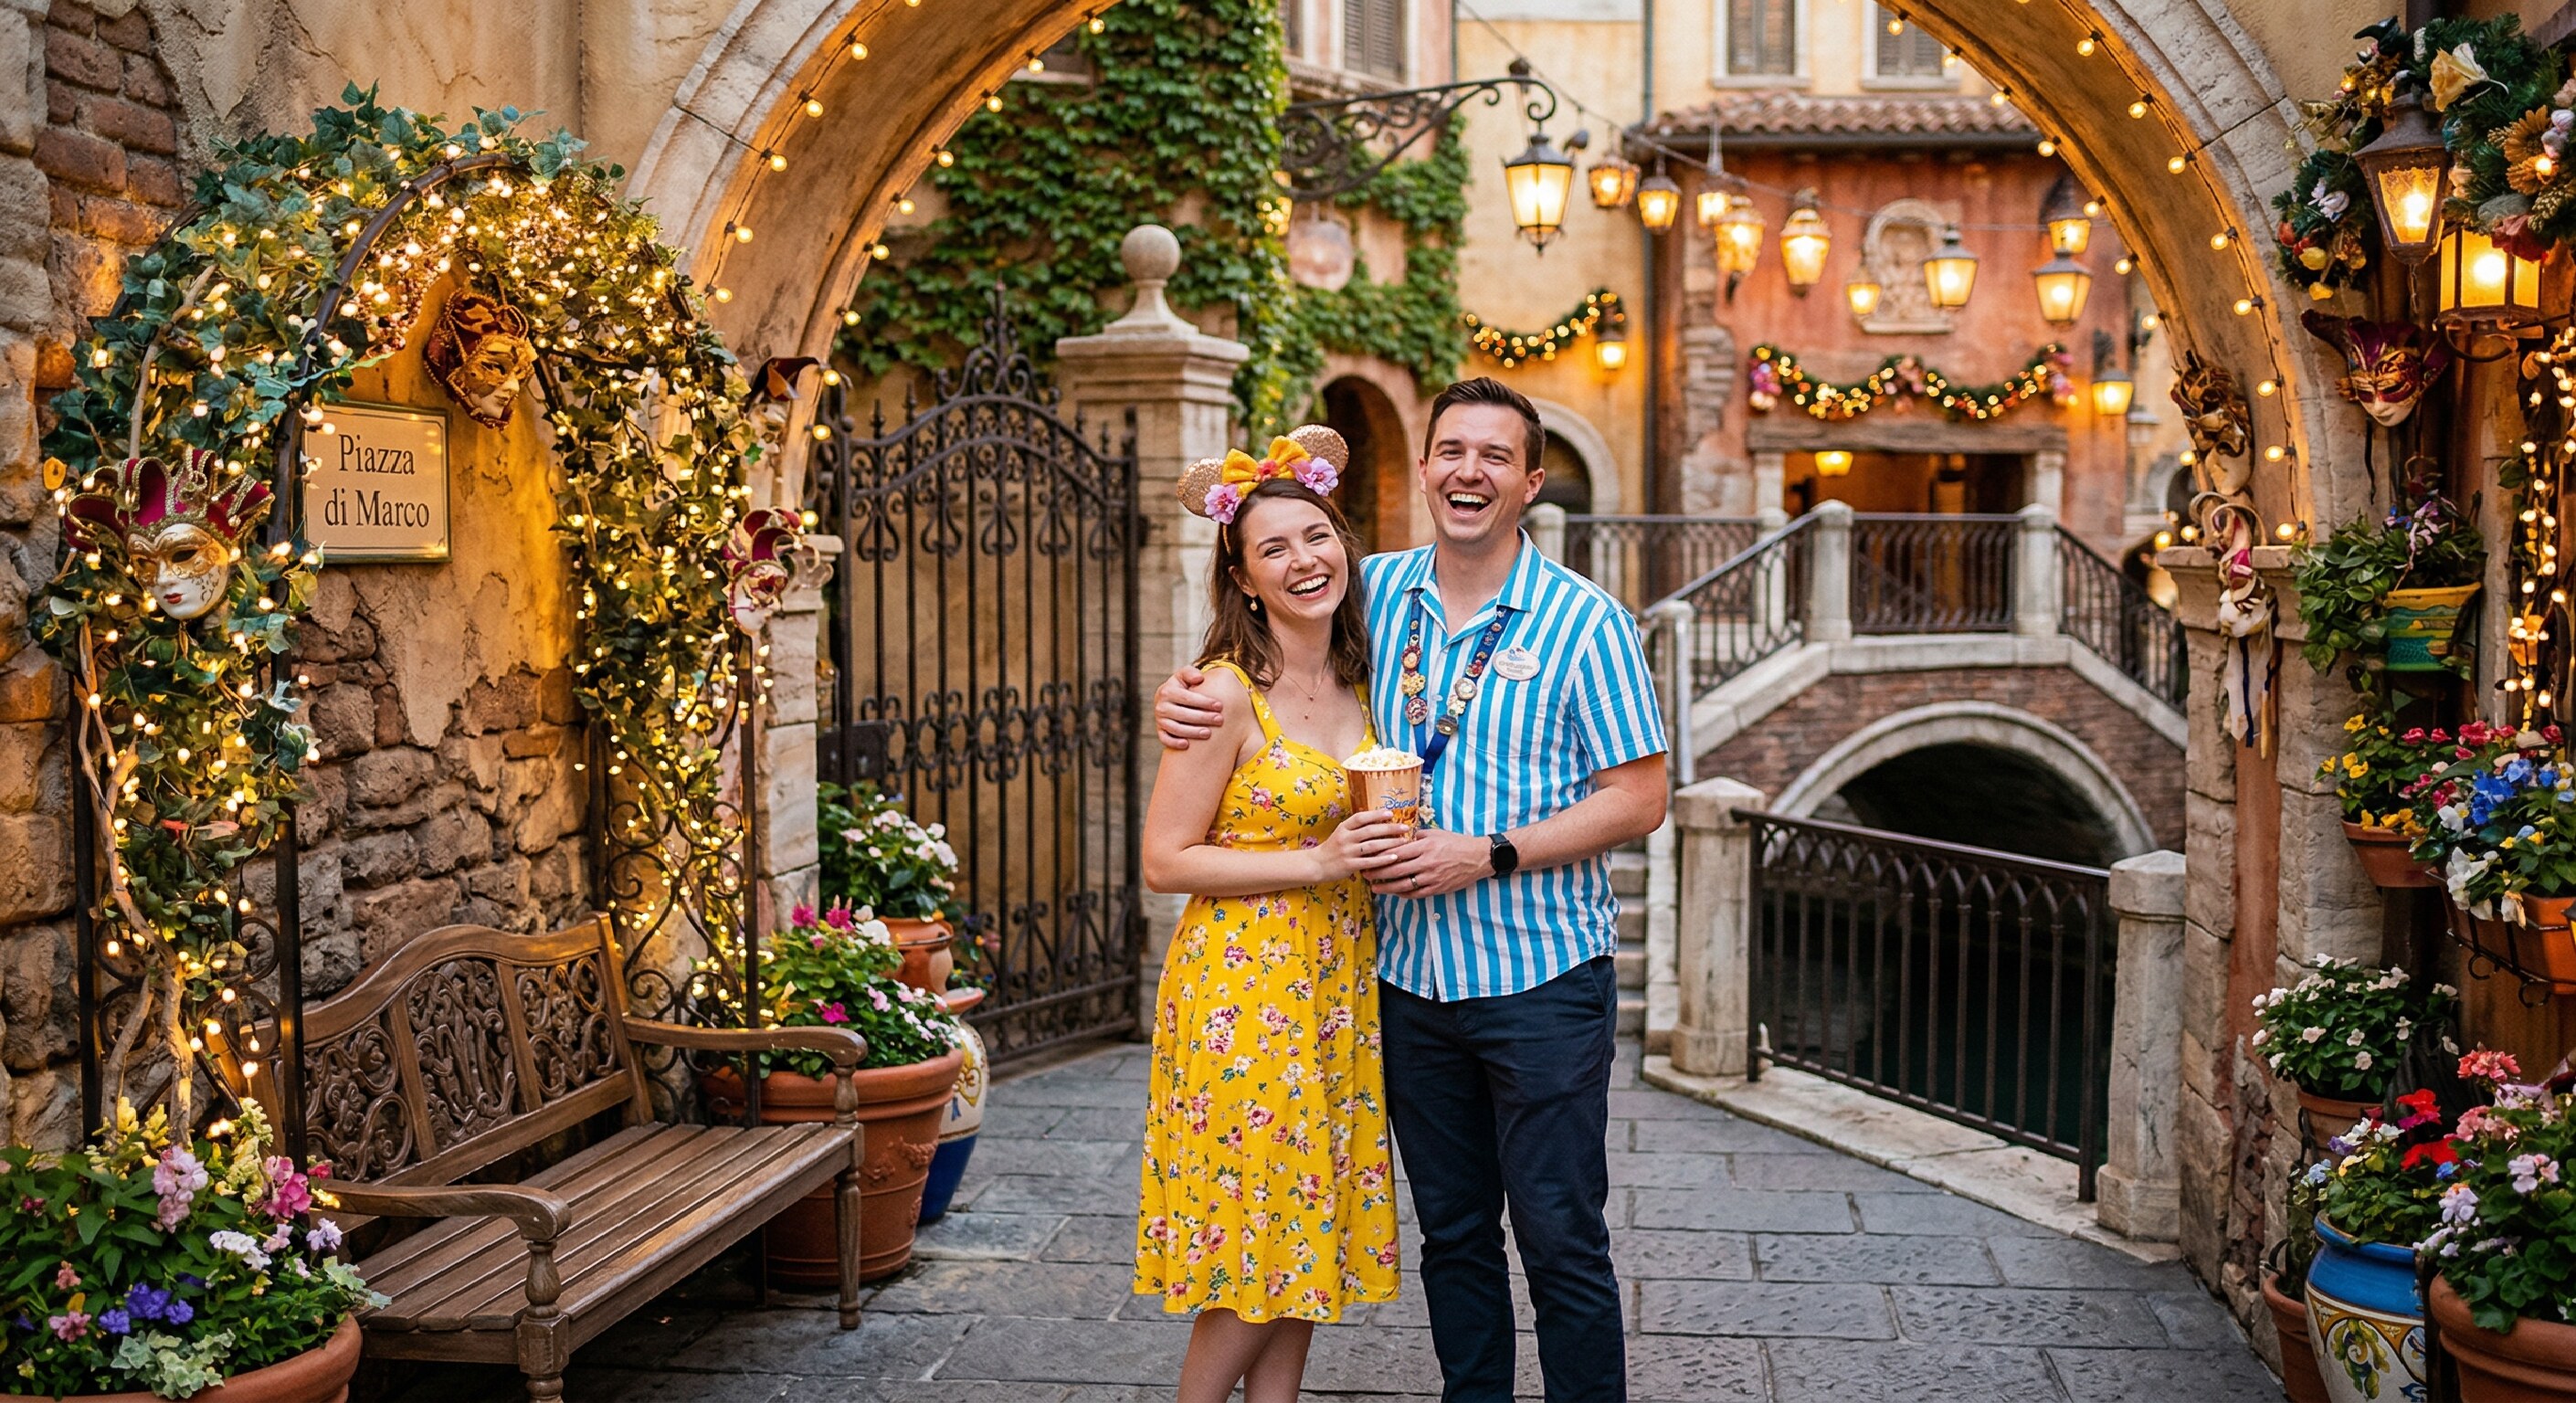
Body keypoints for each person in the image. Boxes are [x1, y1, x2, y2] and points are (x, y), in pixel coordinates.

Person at [1155, 378, 1670, 1402]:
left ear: (1530, 479)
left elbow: (1642, 799)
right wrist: (1184, 689)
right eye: (1450, 451)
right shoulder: (1369, 594)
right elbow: (1264, 660)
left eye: (1494, 456)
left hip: (1541, 982)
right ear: (1425, 467)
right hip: (1405, 983)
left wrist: (1491, 851)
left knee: (1563, 1239)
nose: (1468, 472)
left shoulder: (1587, 624)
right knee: (1455, 1239)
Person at [1135, 427, 1411, 1403]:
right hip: (1243, 991)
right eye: (1275, 549)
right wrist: (1320, 859)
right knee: (1260, 1238)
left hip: (1335, 984)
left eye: (1317, 536)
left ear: (1343, 541)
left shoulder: (1367, 678)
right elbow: (1165, 860)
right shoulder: (1220, 691)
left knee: (1305, 1236)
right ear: (1244, 579)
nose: (1305, 561)